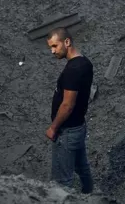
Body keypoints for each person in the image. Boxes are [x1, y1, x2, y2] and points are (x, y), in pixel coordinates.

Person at [45, 27, 94, 194]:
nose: (52, 51)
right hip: (79, 126)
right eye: (50, 47)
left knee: (61, 181)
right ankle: (92, 195)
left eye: (55, 46)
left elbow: (67, 105)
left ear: (67, 42)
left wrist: (53, 127)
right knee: (82, 167)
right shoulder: (85, 63)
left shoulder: (72, 70)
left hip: (67, 132)